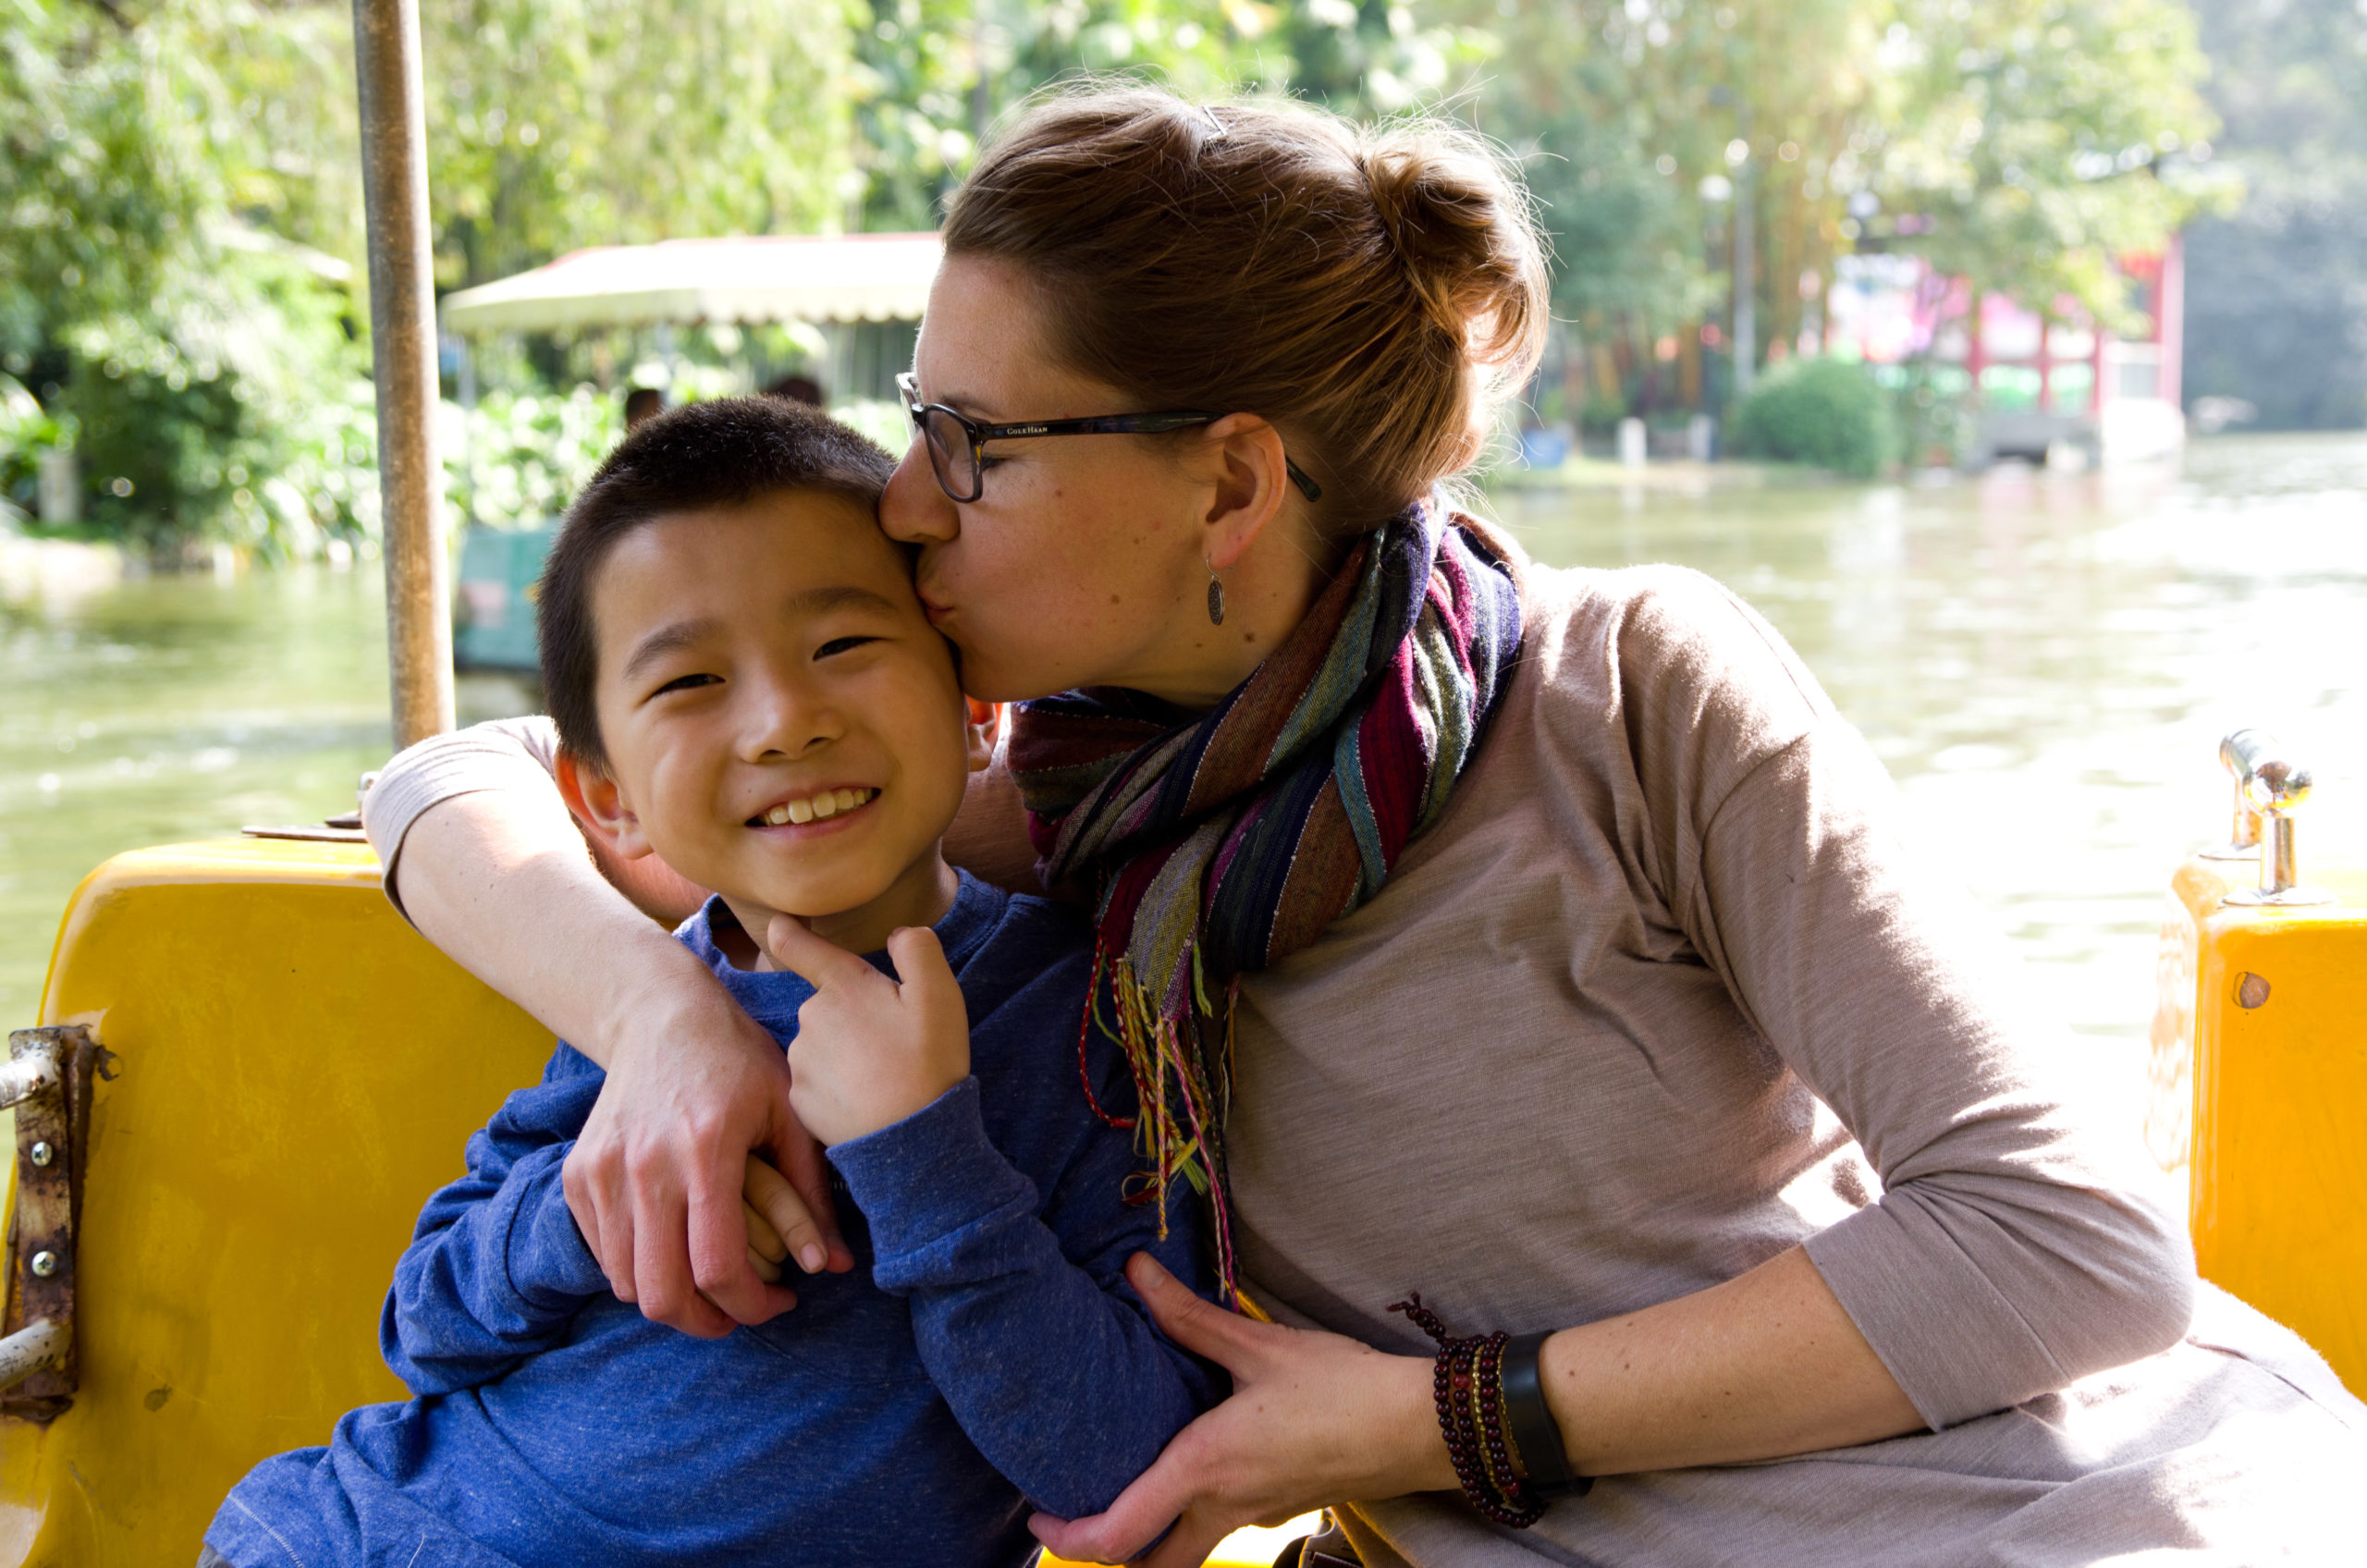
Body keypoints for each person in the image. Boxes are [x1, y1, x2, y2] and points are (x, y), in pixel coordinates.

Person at [362, 87, 2367, 1567]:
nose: (903, 496)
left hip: (2055, 1513)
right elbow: (446, 785)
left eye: (973, 440)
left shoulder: (1627, 687)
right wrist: (663, 1024)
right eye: (917, 417)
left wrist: (1431, 1421)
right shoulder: (1029, 821)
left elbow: (2068, 1243)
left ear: (1228, 482)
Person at [205, 397, 1217, 1568]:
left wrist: (925, 1158)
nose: (785, 723)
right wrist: (587, 1216)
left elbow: (1120, 1464)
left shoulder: (1085, 1008)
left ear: (977, 706)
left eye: (842, 646)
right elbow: (423, 1326)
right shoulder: (642, 1008)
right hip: (380, 1535)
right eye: (690, 683)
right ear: (605, 798)